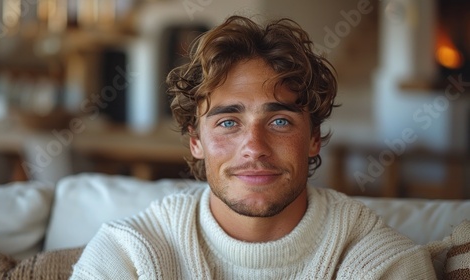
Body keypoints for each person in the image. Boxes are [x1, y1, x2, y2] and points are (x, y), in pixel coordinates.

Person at [71, 15, 436, 279]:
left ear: (312, 139)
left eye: (279, 121)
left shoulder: (385, 266)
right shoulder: (128, 257)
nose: (254, 148)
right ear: (196, 140)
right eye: (228, 122)